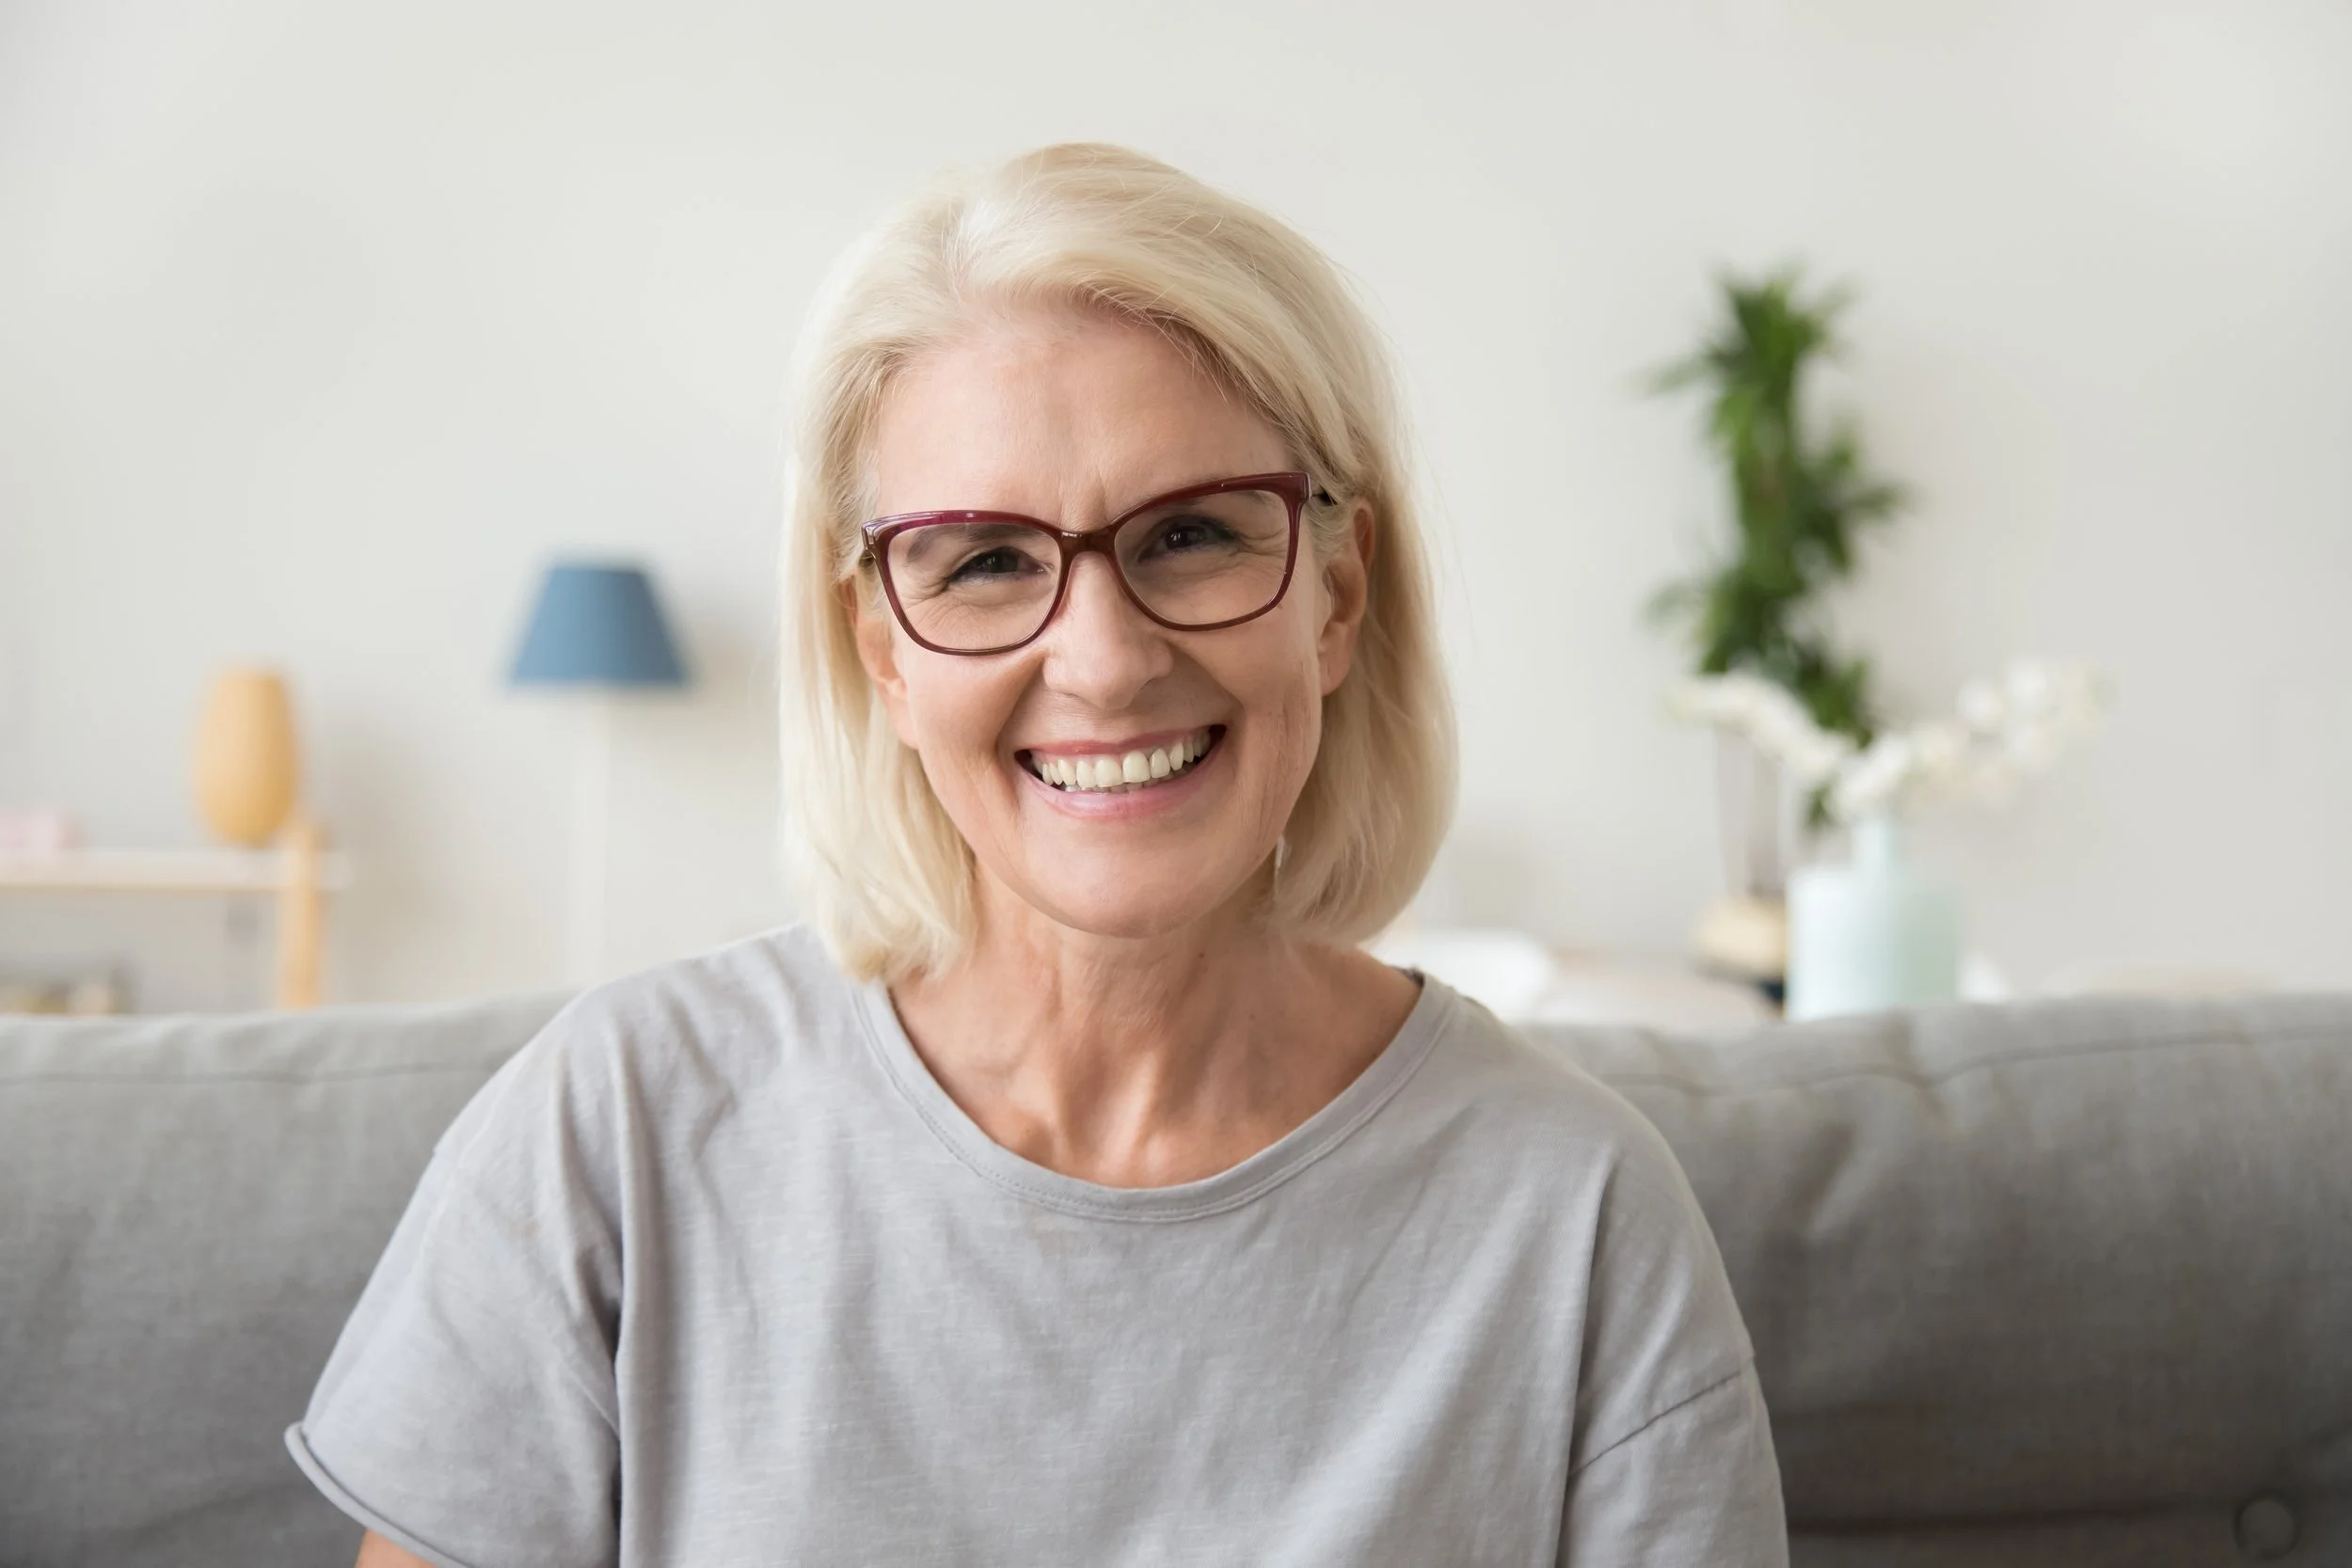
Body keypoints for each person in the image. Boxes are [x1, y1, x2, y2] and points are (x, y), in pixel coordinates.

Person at [289, 142, 1786, 1567]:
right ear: (880, 644)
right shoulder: (611, 1129)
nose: (1106, 660)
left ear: (1335, 596)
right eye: (988, 561)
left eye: (1192, 533)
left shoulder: (1578, 1215)